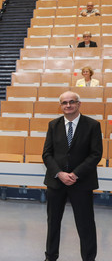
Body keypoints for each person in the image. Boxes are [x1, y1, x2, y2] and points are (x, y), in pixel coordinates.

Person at [42, 91, 102, 261]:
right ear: (60, 105)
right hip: (56, 182)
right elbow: (47, 154)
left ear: (79, 104)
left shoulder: (92, 125)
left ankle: (89, 258)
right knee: (53, 223)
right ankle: (50, 256)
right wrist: (59, 173)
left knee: (86, 224)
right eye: (64, 103)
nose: (68, 105)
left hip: (81, 183)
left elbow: (95, 154)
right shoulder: (53, 125)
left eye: (71, 102)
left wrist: (75, 174)